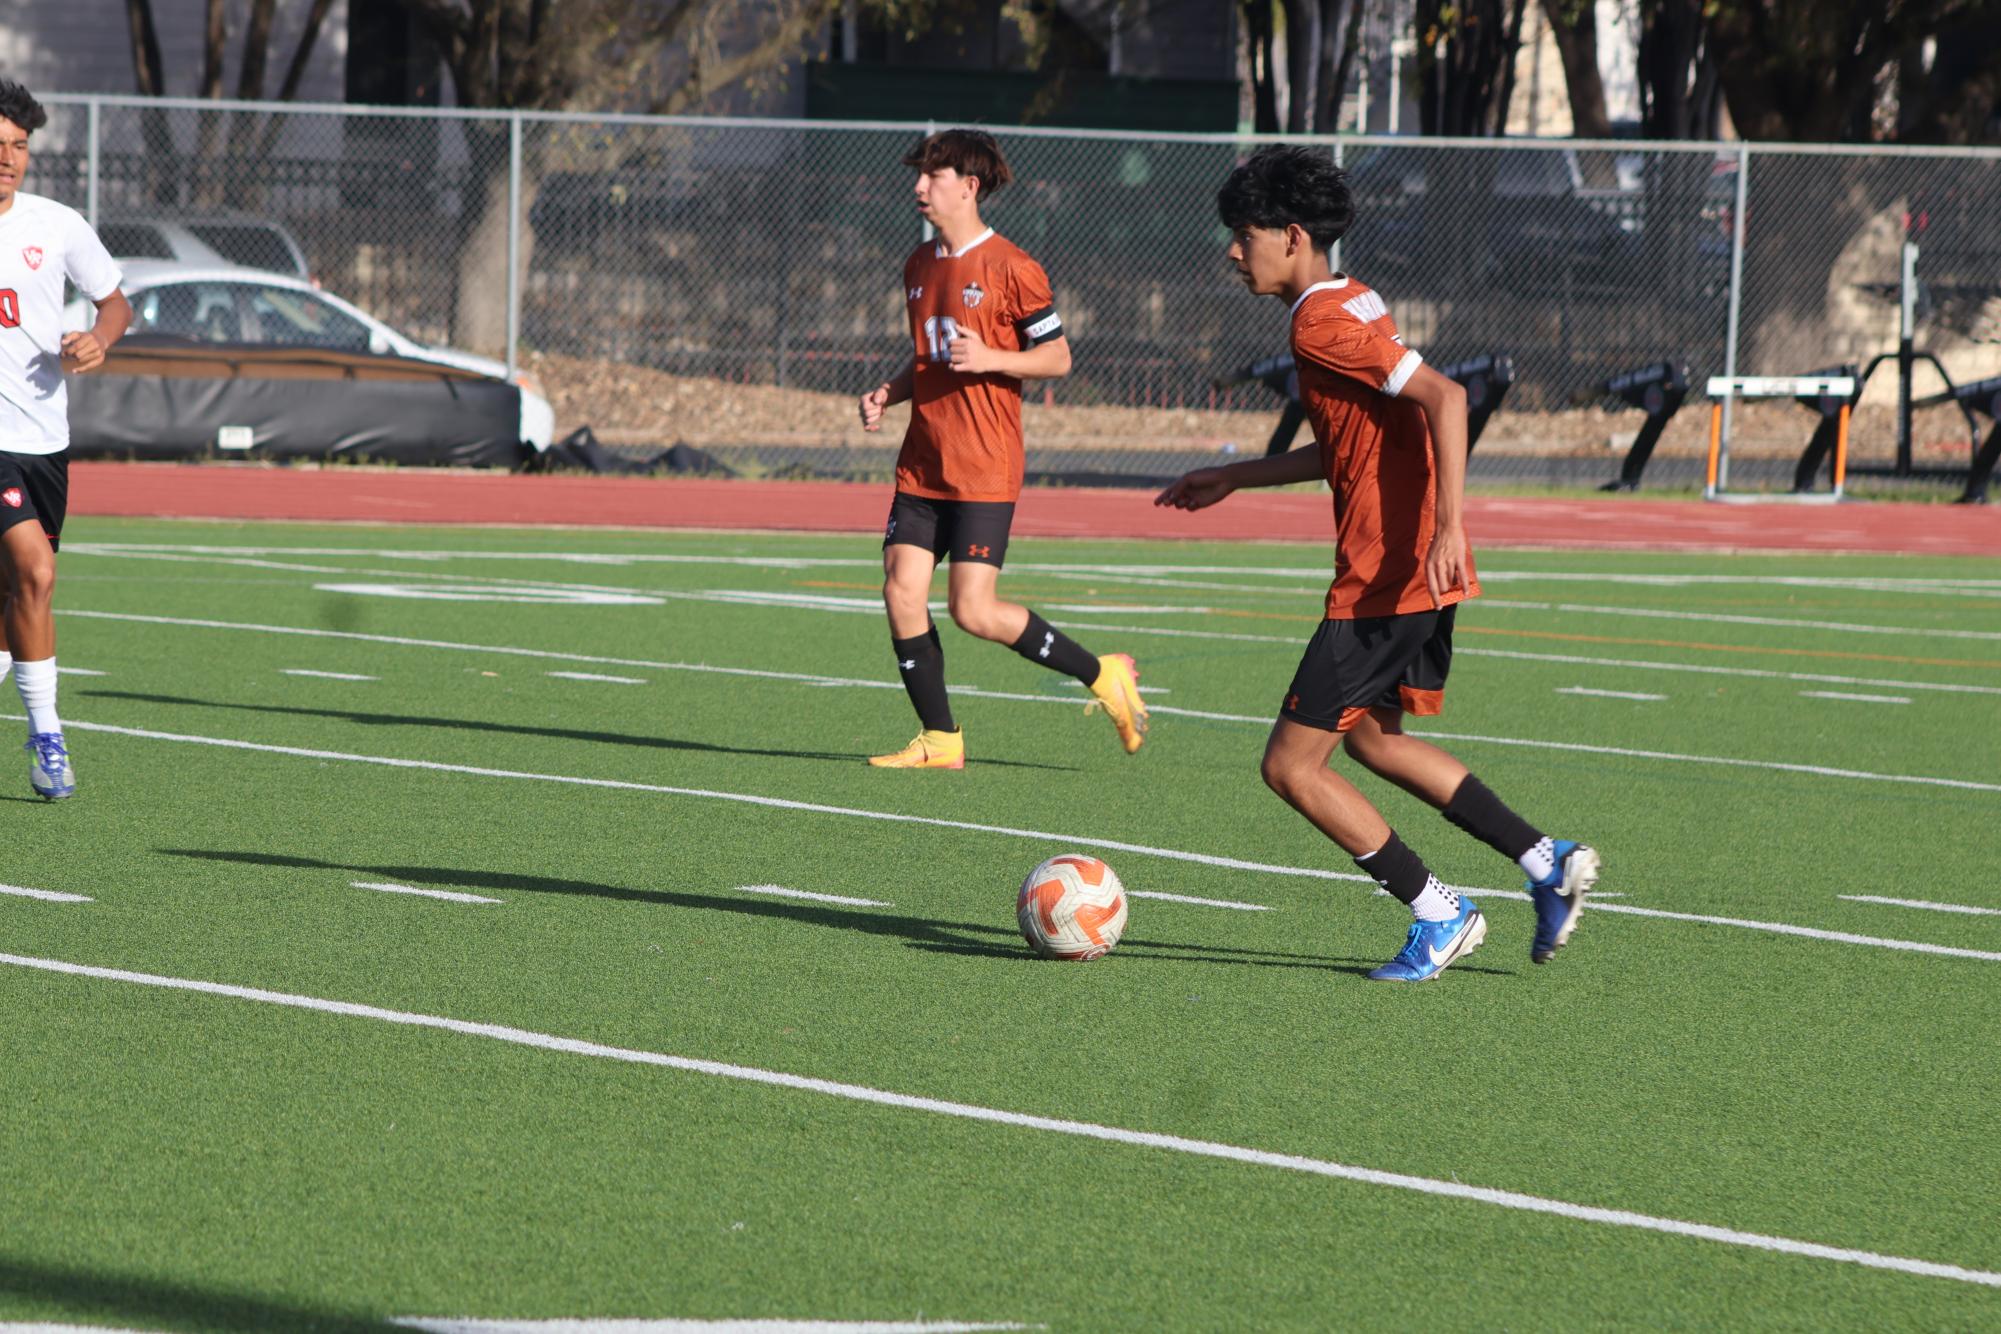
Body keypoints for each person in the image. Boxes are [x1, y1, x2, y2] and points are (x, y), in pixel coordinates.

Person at [1156, 145, 1597, 980]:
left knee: (1289, 765)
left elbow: (1446, 397)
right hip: (1415, 574)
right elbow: (1349, 446)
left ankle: (1441, 914)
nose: (1230, 251)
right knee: (1373, 741)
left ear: (1290, 236)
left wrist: (1448, 526)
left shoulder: (1317, 321)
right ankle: (1546, 860)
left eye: (1242, 234)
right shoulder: (1352, 299)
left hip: (1386, 577)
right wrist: (1236, 476)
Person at [856, 128, 1145, 769]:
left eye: (932, 176)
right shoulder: (918, 263)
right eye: (919, 175)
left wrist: (991, 356)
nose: (919, 187)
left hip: (985, 468)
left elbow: (1059, 357)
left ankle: (1104, 675)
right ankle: (941, 739)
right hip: (923, 464)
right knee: (901, 591)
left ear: (970, 186)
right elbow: (929, 356)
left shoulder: (1014, 267)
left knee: (973, 611)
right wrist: (889, 392)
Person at [0, 81, 131, 799]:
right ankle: (48, 736)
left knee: (17, 601)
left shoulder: (56, 224)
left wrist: (98, 340)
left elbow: (115, 301)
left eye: (18, 145)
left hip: (45, 440)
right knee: (36, 575)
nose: (8, 158)